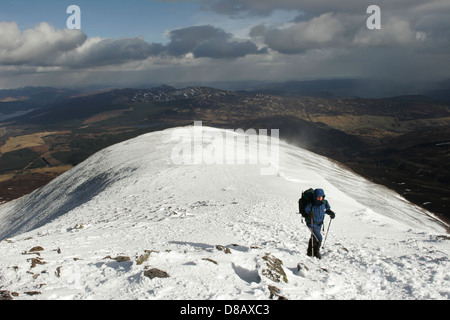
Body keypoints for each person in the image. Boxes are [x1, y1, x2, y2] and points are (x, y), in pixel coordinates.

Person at [304, 188, 335, 259]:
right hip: (311, 223)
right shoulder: (311, 203)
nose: (319, 198)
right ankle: (316, 252)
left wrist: (331, 213)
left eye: (321, 197)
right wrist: (309, 214)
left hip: (319, 223)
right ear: (315, 196)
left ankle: (310, 252)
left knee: (314, 238)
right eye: (318, 197)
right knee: (319, 238)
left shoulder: (324, 203)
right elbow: (306, 211)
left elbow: (327, 210)